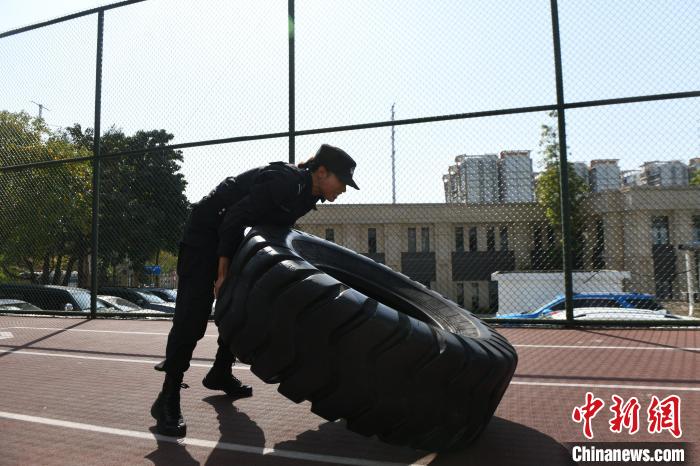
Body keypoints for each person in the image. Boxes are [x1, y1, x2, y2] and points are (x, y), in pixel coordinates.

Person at [151, 144, 359, 437]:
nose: (343, 190)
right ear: (322, 172)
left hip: (231, 235)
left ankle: (220, 371)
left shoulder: (307, 195)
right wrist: (222, 274)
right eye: (342, 182)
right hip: (206, 231)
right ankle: (167, 397)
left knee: (244, 304)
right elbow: (234, 216)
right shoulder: (285, 181)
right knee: (192, 315)